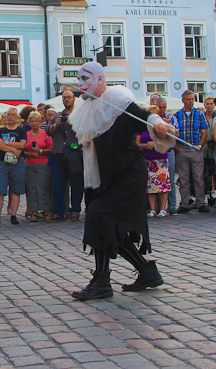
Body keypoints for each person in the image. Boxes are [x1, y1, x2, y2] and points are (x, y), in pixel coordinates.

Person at [68, 62, 171, 300]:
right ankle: (147, 271)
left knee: (98, 216)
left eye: (86, 79)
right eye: (78, 80)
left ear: (101, 80)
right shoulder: (86, 107)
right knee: (110, 226)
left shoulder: (117, 102)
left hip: (127, 174)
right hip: (102, 176)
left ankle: (102, 282)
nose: (81, 84)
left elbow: (145, 116)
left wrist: (157, 123)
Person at [47, 90, 84, 222]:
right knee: (57, 185)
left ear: (74, 99)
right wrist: (56, 124)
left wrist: (71, 123)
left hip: (75, 153)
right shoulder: (57, 115)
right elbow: (48, 131)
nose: (66, 99)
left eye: (69, 97)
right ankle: (58, 212)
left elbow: (85, 131)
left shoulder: (80, 115)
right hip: (58, 153)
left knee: (77, 184)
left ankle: (75, 211)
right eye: (64, 98)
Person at [174, 90, 209, 213]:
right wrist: (177, 147)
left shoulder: (199, 114)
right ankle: (184, 203)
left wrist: (200, 145)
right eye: (188, 99)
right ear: (183, 100)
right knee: (184, 179)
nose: (191, 101)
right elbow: (173, 133)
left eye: (193, 99)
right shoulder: (177, 115)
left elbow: (204, 131)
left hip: (195, 149)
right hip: (183, 149)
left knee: (198, 178)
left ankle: (200, 202)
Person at [0, 107, 27, 226]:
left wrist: (6, 143)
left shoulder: (21, 131)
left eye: (13, 115)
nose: (11, 117)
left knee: (16, 189)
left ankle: (13, 215)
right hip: (2, 162)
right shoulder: (0, 130)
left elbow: (22, 145)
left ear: (17, 117)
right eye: (9, 115)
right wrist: (12, 148)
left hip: (17, 162)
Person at [138, 105, 170, 217]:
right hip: (148, 159)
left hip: (160, 157)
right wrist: (144, 145)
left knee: (162, 185)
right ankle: (152, 209)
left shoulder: (162, 126)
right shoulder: (142, 127)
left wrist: (154, 144)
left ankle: (163, 208)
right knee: (150, 185)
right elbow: (137, 142)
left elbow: (169, 141)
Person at [24, 111, 53, 222]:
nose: (34, 123)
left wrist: (40, 151)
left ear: (40, 122)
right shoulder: (26, 135)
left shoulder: (45, 134)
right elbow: (23, 150)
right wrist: (30, 154)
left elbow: (51, 149)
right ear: (29, 122)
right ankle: (34, 212)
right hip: (29, 164)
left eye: (36, 121)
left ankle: (46, 211)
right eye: (32, 121)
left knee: (43, 188)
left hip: (43, 163)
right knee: (32, 189)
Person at [155, 97, 179, 215]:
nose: (162, 110)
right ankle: (159, 207)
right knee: (157, 180)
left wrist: (169, 126)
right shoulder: (153, 118)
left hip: (169, 151)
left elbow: (177, 135)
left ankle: (172, 206)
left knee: (171, 179)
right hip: (156, 152)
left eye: (164, 107)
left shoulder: (171, 118)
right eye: (160, 107)